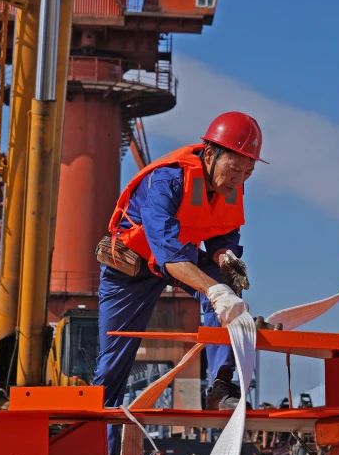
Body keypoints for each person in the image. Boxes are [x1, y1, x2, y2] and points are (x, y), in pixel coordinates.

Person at [94, 112, 264, 417]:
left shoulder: (231, 187)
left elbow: (222, 235)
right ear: (210, 155)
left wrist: (226, 258)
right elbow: (169, 254)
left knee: (224, 293)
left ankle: (220, 385)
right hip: (131, 267)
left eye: (247, 173)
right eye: (234, 169)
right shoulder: (168, 180)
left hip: (178, 256)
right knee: (112, 365)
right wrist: (214, 289)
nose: (238, 180)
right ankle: (99, 449)